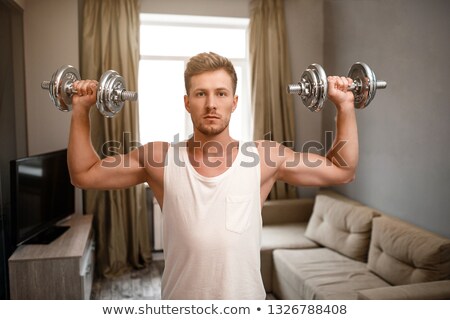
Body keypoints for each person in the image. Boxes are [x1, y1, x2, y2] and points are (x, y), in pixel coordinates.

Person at [69, 52, 357, 300]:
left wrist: (345, 106)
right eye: (200, 94)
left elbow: (342, 170)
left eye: (221, 93)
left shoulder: (265, 158)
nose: (211, 104)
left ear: (234, 102)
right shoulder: (158, 159)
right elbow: (84, 175)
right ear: (187, 102)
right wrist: (81, 109)